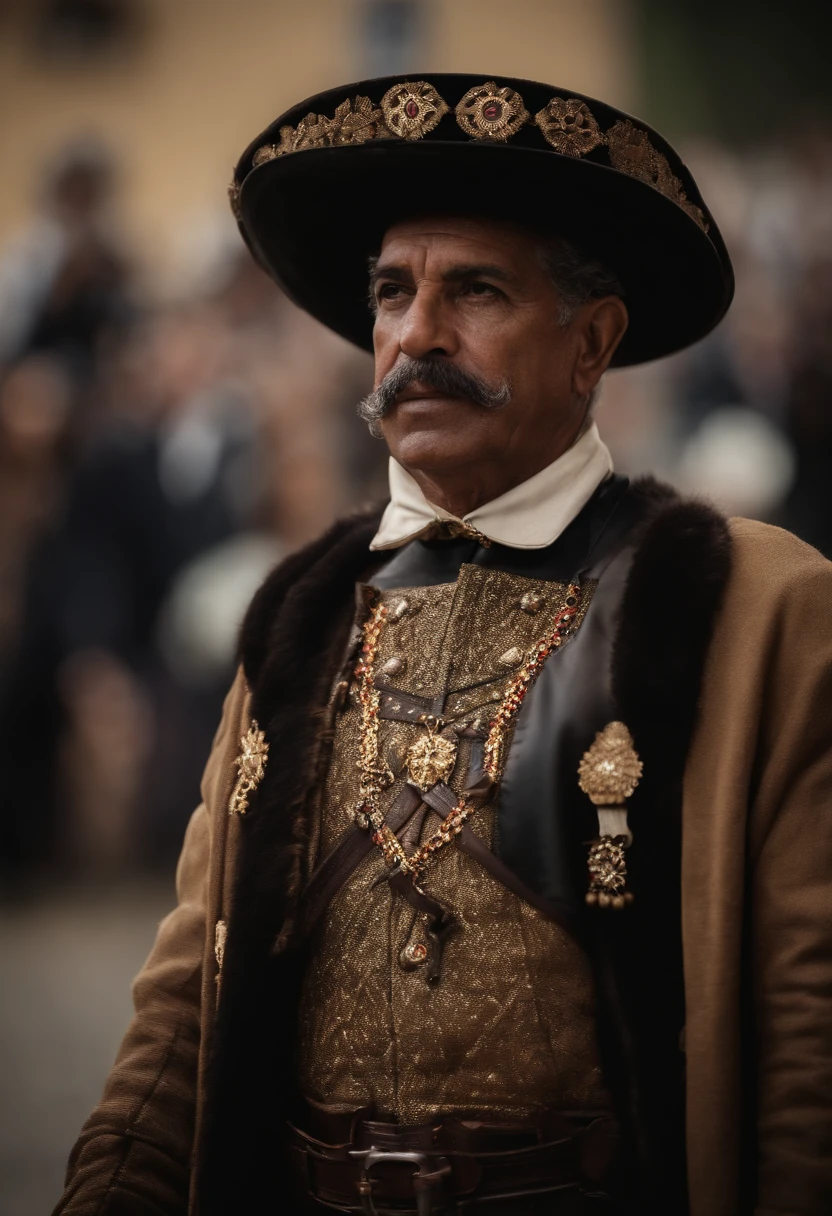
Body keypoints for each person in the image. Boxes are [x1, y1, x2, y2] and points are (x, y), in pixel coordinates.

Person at [53, 74, 832, 1216]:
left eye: (476, 291)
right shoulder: (302, 610)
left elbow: (807, 1041)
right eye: (391, 292)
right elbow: (183, 1008)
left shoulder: (753, 602)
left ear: (592, 341)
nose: (417, 334)